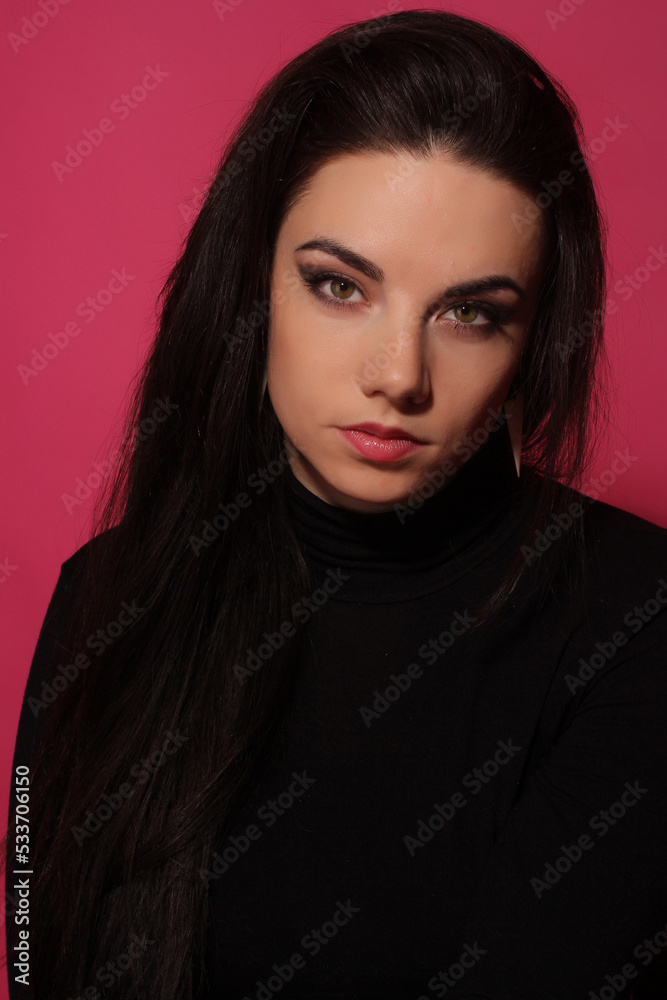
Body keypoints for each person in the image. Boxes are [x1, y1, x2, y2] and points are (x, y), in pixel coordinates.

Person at [4, 9, 667, 1000]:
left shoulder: (637, 620)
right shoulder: (108, 594)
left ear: (531, 342)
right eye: (338, 285)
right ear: (253, 287)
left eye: (470, 313)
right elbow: (30, 956)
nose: (397, 375)